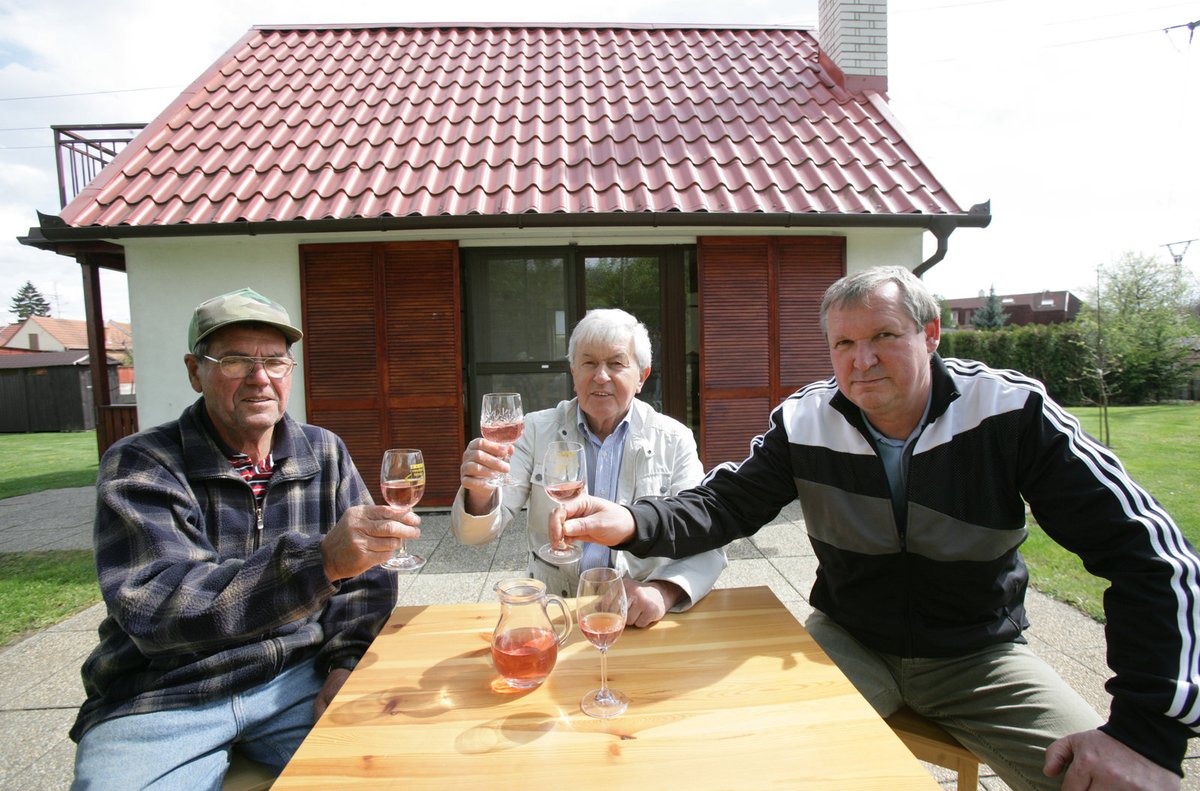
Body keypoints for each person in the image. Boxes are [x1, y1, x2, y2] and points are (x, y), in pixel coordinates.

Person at [554, 267, 1199, 790]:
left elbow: (1153, 558)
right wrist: (633, 520)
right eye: (843, 344)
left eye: (884, 336)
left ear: (931, 334)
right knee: (750, 766)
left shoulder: (1010, 412)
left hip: (980, 657)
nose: (862, 361)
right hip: (849, 642)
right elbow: (725, 505)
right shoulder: (805, 421)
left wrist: (1147, 734)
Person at [70, 288, 419, 789]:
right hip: (165, 691)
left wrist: (346, 663)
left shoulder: (324, 450)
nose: (260, 378)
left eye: (275, 362)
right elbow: (158, 608)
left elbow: (366, 583)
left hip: (296, 676)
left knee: (402, 771)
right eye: (235, 360)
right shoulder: (143, 463)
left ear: (290, 372)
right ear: (195, 372)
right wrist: (319, 561)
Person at [452, 308, 726, 627]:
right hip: (555, 611)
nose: (601, 376)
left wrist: (662, 592)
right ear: (573, 372)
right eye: (589, 363)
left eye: (616, 363)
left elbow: (707, 538)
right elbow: (474, 536)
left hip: (638, 617)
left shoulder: (674, 438)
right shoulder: (535, 431)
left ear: (642, 376)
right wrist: (480, 492)